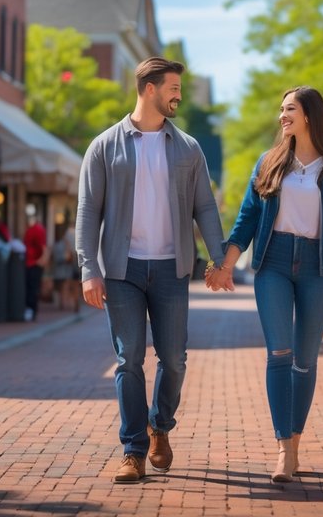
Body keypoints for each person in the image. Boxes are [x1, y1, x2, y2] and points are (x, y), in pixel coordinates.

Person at [75, 57, 225, 484]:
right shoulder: (105, 146)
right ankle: (133, 450)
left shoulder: (188, 148)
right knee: (128, 361)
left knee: (174, 359)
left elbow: (205, 208)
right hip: (122, 271)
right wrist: (90, 269)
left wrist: (218, 260)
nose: (178, 94)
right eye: (173, 87)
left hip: (172, 269)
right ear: (149, 89)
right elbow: (88, 214)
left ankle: (160, 425)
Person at [208, 86, 323, 484]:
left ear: (310, 114)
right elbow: (247, 218)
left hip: (320, 266)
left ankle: (295, 441)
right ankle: (284, 448)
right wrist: (225, 265)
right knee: (279, 352)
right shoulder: (269, 162)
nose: (282, 115)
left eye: (289, 109)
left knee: (305, 360)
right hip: (273, 263)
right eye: (280, 109)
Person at [23, 211, 48, 321]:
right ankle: (30, 310)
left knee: (32, 288)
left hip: (33, 264)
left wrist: (41, 261)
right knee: (30, 287)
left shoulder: (37, 229)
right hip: (30, 263)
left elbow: (44, 247)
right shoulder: (31, 229)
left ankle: (31, 311)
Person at [51, 224, 78, 313]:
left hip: (60, 269)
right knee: (66, 286)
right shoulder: (66, 242)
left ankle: (64, 303)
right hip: (66, 268)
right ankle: (69, 303)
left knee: (62, 287)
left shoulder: (55, 244)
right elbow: (69, 255)